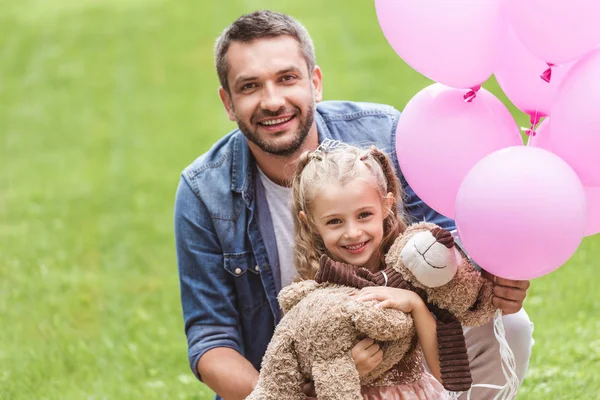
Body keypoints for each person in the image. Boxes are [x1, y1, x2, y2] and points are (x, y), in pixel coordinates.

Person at [174, 10, 533, 400]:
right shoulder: (203, 190)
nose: (272, 101)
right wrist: (302, 393)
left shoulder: (384, 134)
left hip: (404, 347)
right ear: (228, 102)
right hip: (292, 379)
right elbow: (212, 342)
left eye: (287, 78)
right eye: (250, 87)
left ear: (315, 82)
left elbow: (448, 244)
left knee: (512, 325)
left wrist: (490, 282)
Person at [291, 142, 449, 399]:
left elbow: (445, 373)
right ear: (309, 223)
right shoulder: (312, 294)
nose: (352, 232)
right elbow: (295, 384)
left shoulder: (409, 272)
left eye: (364, 215)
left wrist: (415, 304)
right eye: (335, 221)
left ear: (386, 206)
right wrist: (343, 370)